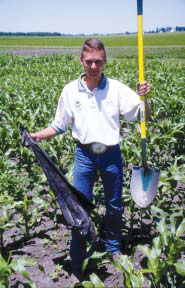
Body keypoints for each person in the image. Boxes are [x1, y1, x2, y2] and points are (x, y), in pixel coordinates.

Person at [31, 38, 151, 278]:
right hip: (84, 155)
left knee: (114, 205)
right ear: (81, 61)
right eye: (89, 61)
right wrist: (37, 136)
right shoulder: (70, 90)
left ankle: (114, 248)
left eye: (98, 61)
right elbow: (59, 125)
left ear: (105, 61)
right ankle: (78, 255)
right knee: (78, 208)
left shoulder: (116, 88)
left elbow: (141, 115)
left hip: (111, 155)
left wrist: (143, 98)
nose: (93, 66)